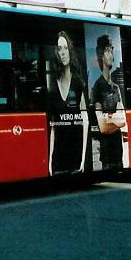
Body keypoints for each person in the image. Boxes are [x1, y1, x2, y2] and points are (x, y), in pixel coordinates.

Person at [47, 31, 89, 175]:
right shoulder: (53, 84)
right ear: (56, 54)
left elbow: (85, 122)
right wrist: (50, 163)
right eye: (59, 49)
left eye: (65, 48)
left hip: (75, 158)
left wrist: (83, 160)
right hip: (58, 160)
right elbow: (53, 127)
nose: (63, 53)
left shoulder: (78, 82)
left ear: (70, 50)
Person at [89, 35, 128, 170]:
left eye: (112, 50)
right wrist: (114, 120)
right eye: (107, 50)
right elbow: (103, 127)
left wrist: (109, 119)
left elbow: (123, 119)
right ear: (100, 54)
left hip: (118, 152)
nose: (111, 54)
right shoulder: (97, 87)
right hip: (106, 154)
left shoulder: (116, 87)